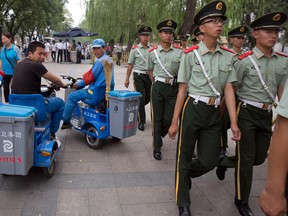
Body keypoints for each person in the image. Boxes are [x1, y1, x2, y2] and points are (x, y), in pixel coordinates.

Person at [168, 1, 241, 215]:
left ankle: (185, 174)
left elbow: (229, 89)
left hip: (213, 113)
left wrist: (234, 123)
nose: (219, 25)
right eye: (213, 21)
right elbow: (182, 90)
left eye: (220, 21)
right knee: (184, 154)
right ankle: (183, 202)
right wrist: (174, 122)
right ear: (201, 27)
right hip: (193, 107)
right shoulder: (190, 55)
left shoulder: (227, 56)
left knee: (209, 159)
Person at [217, 11, 288, 216]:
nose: (273, 36)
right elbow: (232, 90)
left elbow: (282, 93)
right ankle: (242, 199)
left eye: (276, 32)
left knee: (258, 158)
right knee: (247, 160)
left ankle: (224, 162)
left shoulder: (282, 61)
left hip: (266, 115)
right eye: (268, 31)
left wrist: (281, 119)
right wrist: (227, 119)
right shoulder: (244, 61)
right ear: (255, 34)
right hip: (246, 112)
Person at [11, 41, 66, 140]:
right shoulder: (36, 65)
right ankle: (52, 133)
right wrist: (63, 84)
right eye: (39, 53)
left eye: (44, 54)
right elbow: (55, 80)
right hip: (34, 108)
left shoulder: (19, 64)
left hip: (17, 108)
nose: (42, 57)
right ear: (30, 54)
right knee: (60, 103)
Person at [146, 19, 182, 161]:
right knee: (157, 118)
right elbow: (149, 70)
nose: (168, 35)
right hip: (158, 87)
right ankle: (157, 147)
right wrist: (154, 82)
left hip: (173, 88)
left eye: (170, 33)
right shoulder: (152, 53)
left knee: (169, 118)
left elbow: (181, 72)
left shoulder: (179, 53)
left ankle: (158, 135)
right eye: (165, 32)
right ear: (160, 34)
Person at [61, 38, 114, 129]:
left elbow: (89, 78)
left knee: (71, 96)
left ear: (104, 48)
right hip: (105, 92)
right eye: (94, 49)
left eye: (98, 48)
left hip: (94, 92)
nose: (96, 51)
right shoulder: (109, 60)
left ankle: (66, 121)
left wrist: (78, 84)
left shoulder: (100, 61)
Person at [218, 26, 249, 161]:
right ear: (231, 39)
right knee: (223, 122)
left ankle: (239, 151)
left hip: (242, 96)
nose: (240, 40)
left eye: (242, 38)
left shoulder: (248, 57)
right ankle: (222, 147)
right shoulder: (226, 55)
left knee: (240, 124)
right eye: (237, 37)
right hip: (227, 93)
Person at [259, 79, 288, 216]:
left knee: (257, 157)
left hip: (267, 110)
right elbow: (284, 125)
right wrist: (273, 191)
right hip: (247, 109)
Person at [124, 26, 152, 131]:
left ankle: (135, 108)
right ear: (140, 36)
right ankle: (141, 121)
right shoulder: (135, 50)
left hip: (149, 76)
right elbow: (130, 64)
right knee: (141, 97)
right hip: (138, 76)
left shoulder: (152, 49)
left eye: (147, 35)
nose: (146, 37)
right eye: (144, 35)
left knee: (148, 98)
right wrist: (127, 78)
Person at [0, 32, 22, 103]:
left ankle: (14, 103)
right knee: (5, 89)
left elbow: (19, 60)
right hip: (5, 73)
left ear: (9, 39)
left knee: (13, 88)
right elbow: (1, 60)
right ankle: (7, 103)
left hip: (14, 73)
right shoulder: (3, 49)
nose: (3, 41)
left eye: (4, 39)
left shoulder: (15, 49)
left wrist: (17, 72)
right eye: (2, 39)